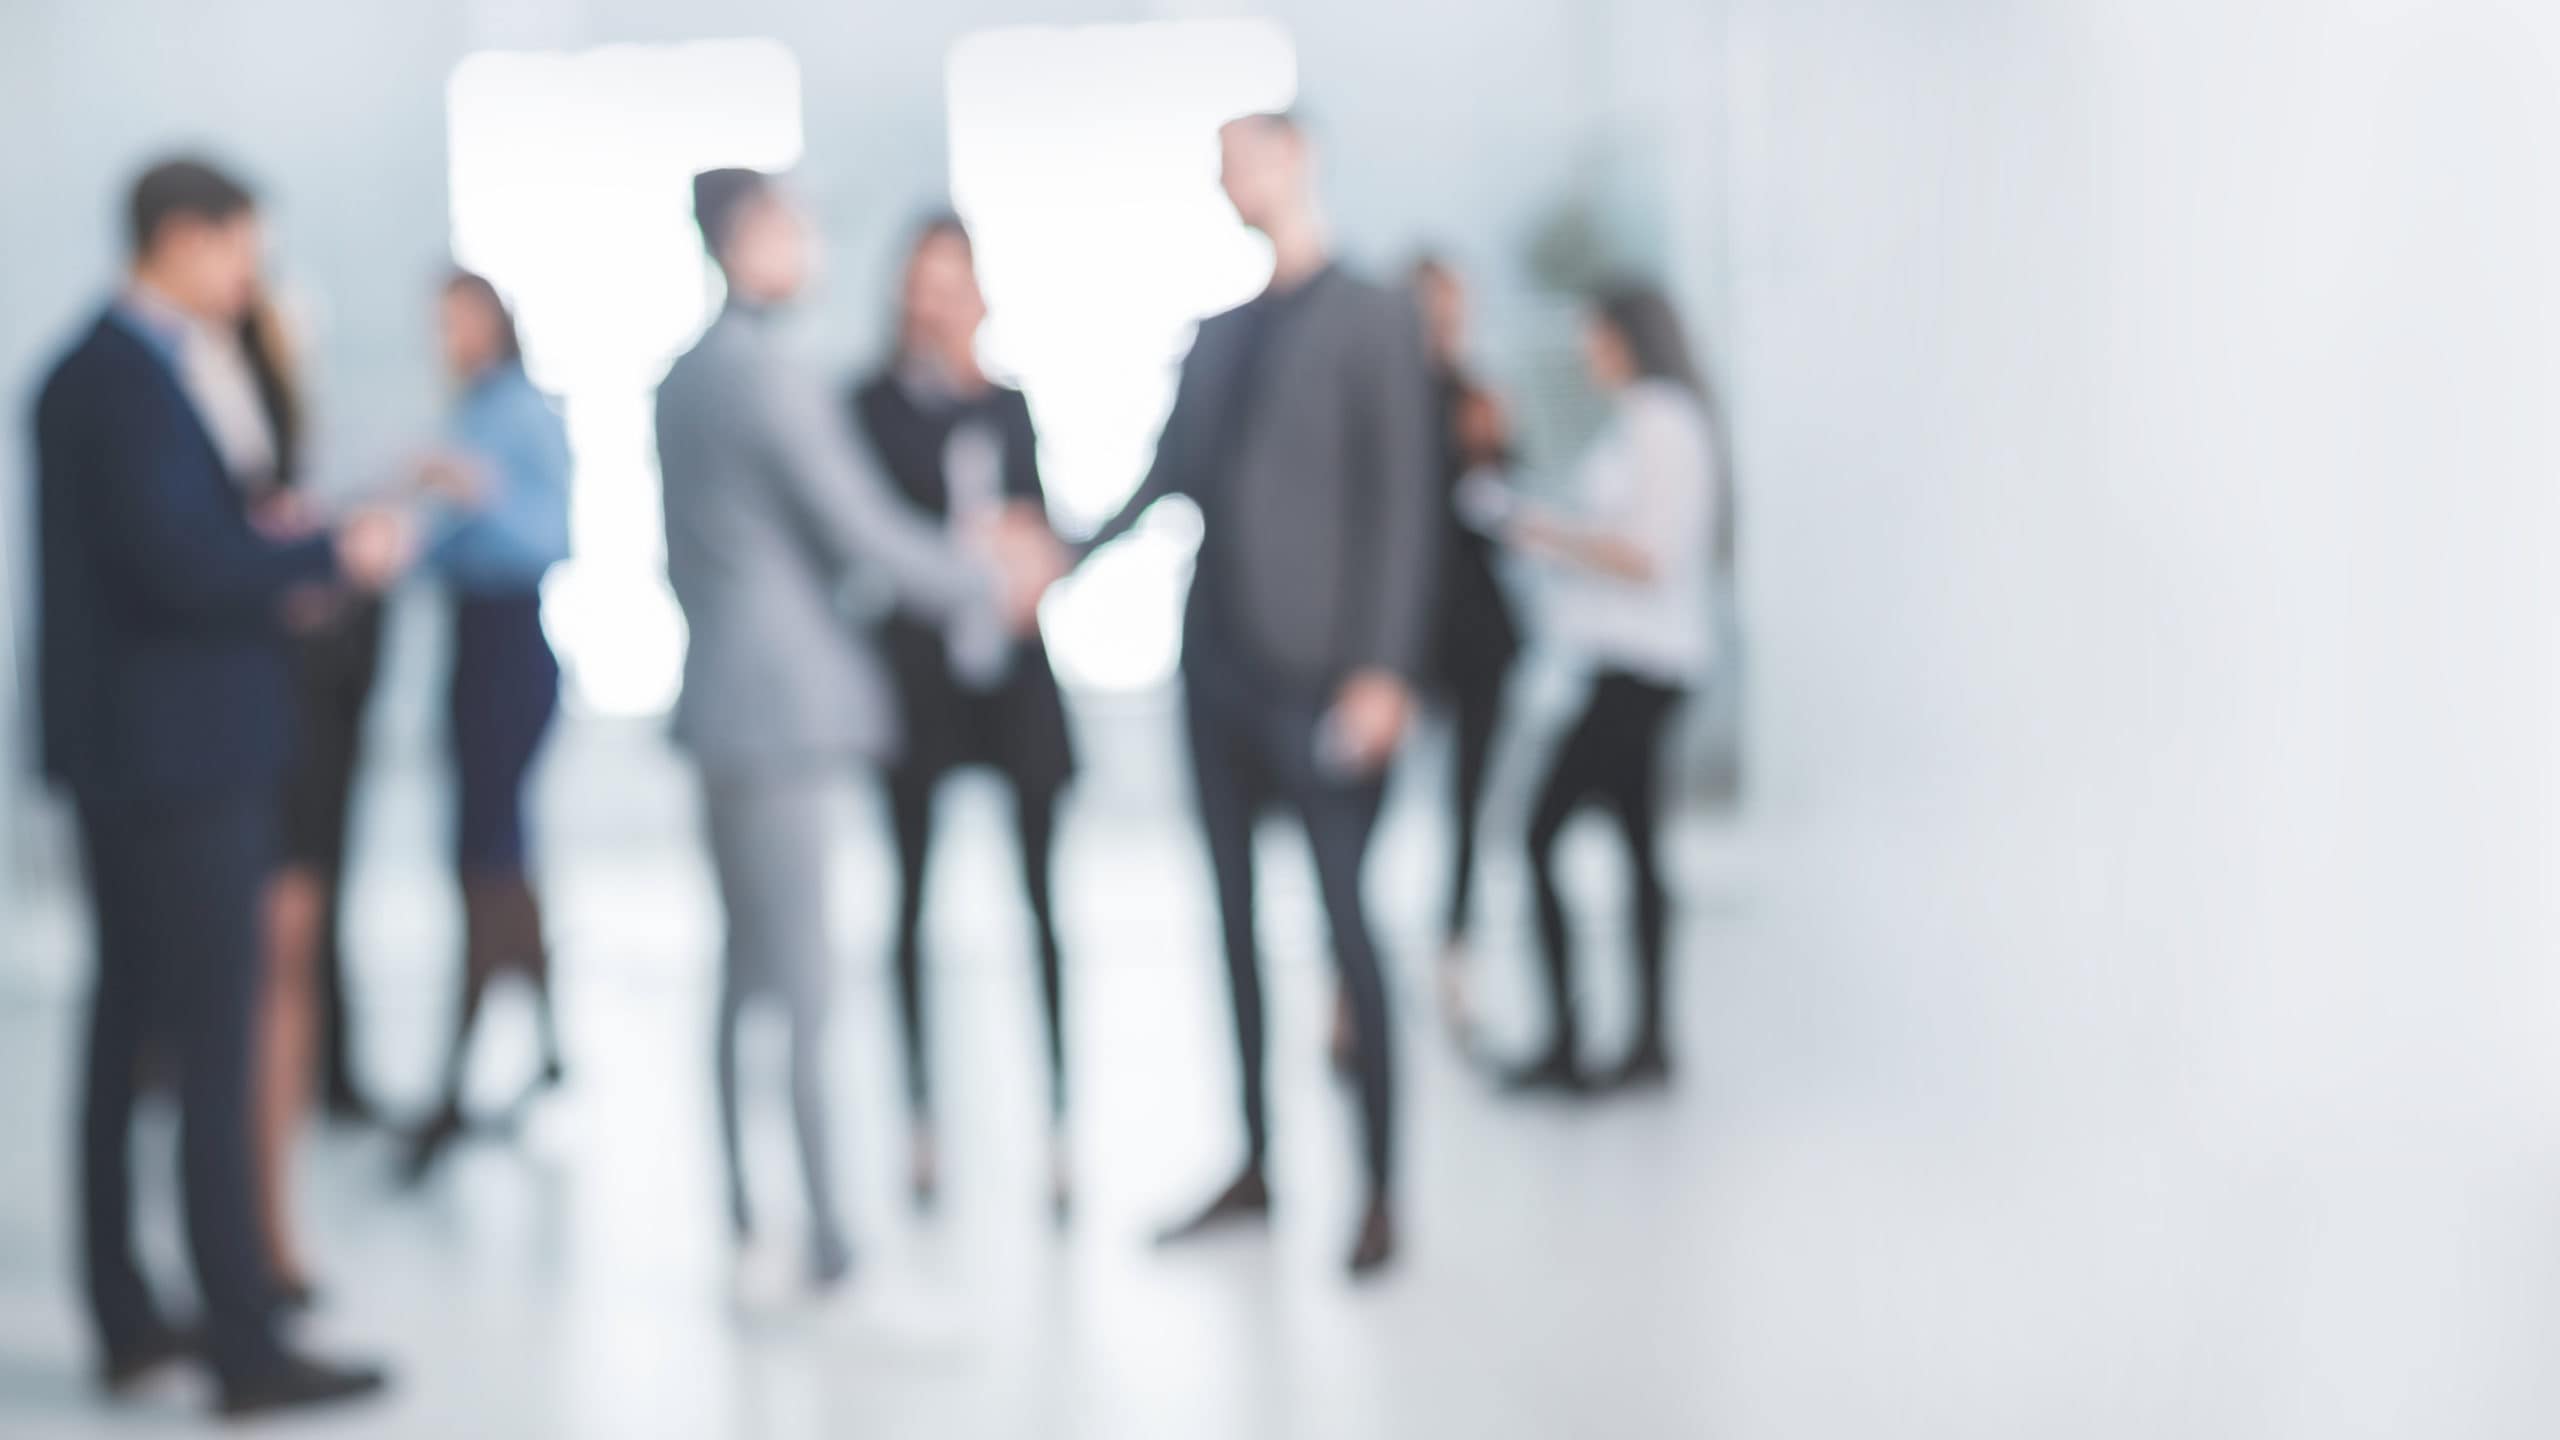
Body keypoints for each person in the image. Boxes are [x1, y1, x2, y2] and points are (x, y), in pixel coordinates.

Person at [35, 156, 400, 1418]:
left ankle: (132, 1315)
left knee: (126, 1023)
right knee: (209, 1035)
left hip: (142, 748)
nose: (250, 275)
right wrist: (323, 551)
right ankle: (243, 1338)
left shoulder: (121, 370)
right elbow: (184, 563)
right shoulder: (124, 377)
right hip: (179, 752)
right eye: (240, 248)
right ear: (182, 240)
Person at [654, 168, 1060, 1289]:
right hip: (780, 712)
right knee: (806, 985)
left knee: (747, 973)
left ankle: (745, 1203)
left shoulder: (688, 374)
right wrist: (994, 575)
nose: (818, 244)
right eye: (801, 225)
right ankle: (830, 1235)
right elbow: (863, 531)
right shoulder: (769, 377)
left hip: (725, 701)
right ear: (750, 238)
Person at [1075, 112, 1439, 1277]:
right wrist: (1066, 556)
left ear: (1298, 157)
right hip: (1217, 673)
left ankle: (1381, 1189)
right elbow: (1166, 480)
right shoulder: (1220, 332)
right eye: (1219, 164)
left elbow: (1404, 499)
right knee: (1227, 926)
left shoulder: (1373, 315)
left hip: (1326, 677)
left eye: (1247, 154)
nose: (1229, 178)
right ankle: (1254, 1160)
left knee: (1345, 925)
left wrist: (1384, 668)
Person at [850, 214, 1078, 1219]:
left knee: (1043, 902)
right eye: (923, 286)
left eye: (956, 283)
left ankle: (1061, 1125)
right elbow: (866, 537)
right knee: (909, 903)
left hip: (1013, 679)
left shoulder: (1011, 407)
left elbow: (1039, 524)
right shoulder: (870, 406)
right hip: (920, 685)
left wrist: (1033, 551)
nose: (938, 304)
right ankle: (919, 1122)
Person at [1469, 284, 1723, 1094]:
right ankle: (1642, 1041)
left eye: (1594, 338)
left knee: (1541, 834)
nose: (1586, 354)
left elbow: (1648, 557)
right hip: (1624, 664)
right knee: (1638, 852)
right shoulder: (1649, 423)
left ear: (1625, 338)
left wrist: (1541, 532)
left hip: (1641, 668)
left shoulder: (1664, 425)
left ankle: (1572, 1043)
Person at [402, 271, 574, 1182]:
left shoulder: (519, 415)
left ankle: (465, 1071)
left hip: (513, 643)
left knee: (488, 858)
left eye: (456, 320)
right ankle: (545, 1054)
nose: (446, 336)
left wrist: (468, 491)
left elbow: (547, 537)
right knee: (492, 855)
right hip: (471, 642)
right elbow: (428, 544)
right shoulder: (467, 410)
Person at [238, 291, 381, 1313]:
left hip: (297, 718)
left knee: (289, 960)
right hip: (249, 729)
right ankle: (255, 1237)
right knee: (260, 975)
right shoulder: (200, 400)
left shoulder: (272, 422)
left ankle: (267, 1229)